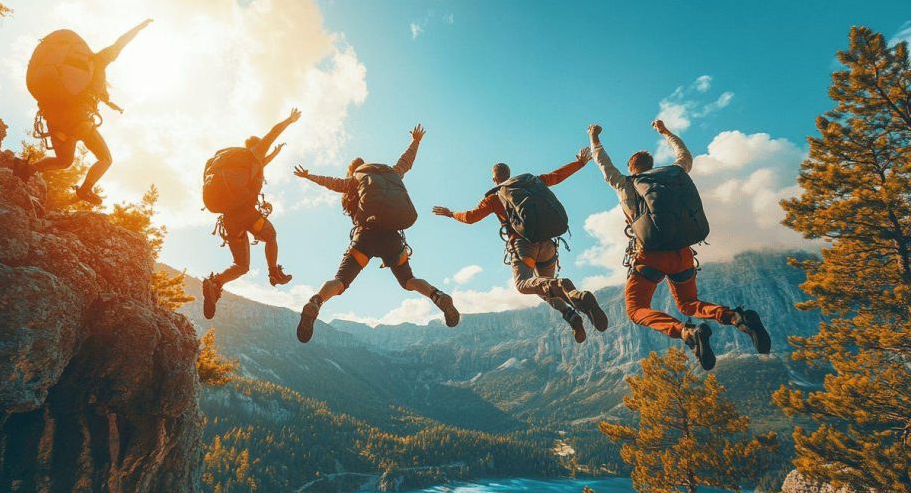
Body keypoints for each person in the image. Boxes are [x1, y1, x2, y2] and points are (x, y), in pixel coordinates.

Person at [588, 120, 771, 369]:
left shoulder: (626, 184)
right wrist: (665, 132)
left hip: (649, 257)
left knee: (637, 309)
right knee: (688, 303)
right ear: (651, 167)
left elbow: (602, 163)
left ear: (632, 169)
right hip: (683, 254)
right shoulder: (676, 173)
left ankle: (687, 333)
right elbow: (684, 153)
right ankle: (736, 317)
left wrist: (594, 137)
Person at [292, 124, 460, 343]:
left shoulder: (354, 179)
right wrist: (416, 141)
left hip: (365, 236)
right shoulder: (390, 172)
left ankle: (316, 301)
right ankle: (437, 296)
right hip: (392, 237)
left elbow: (332, 183)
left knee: (340, 281)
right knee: (409, 280)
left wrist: (309, 176)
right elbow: (406, 162)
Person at [432, 150, 608, 343]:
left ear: (494, 179)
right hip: (548, 243)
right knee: (543, 286)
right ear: (509, 174)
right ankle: (573, 309)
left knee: (524, 285)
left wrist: (451, 213)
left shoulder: (494, 197)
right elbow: (556, 176)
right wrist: (580, 163)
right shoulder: (529, 183)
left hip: (524, 246)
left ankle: (563, 289)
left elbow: (470, 217)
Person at [16, 19, 152, 205]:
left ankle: (27, 170)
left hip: (53, 118)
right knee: (105, 158)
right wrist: (139, 27)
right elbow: (120, 43)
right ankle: (86, 189)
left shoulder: (78, 77)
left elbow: (100, 95)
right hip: (77, 120)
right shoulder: (99, 61)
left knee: (64, 161)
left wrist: (112, 104)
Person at [201, 108, 301, 319]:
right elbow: (273, 132)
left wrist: (276, 153)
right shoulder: (255, 153)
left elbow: (264, 162)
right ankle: (274, 272)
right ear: (258, 146)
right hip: (246, 212)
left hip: (228, 217)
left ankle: (215, 283)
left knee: (241, 265)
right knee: (271, 236)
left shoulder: (237, 161)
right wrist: (290, 121)